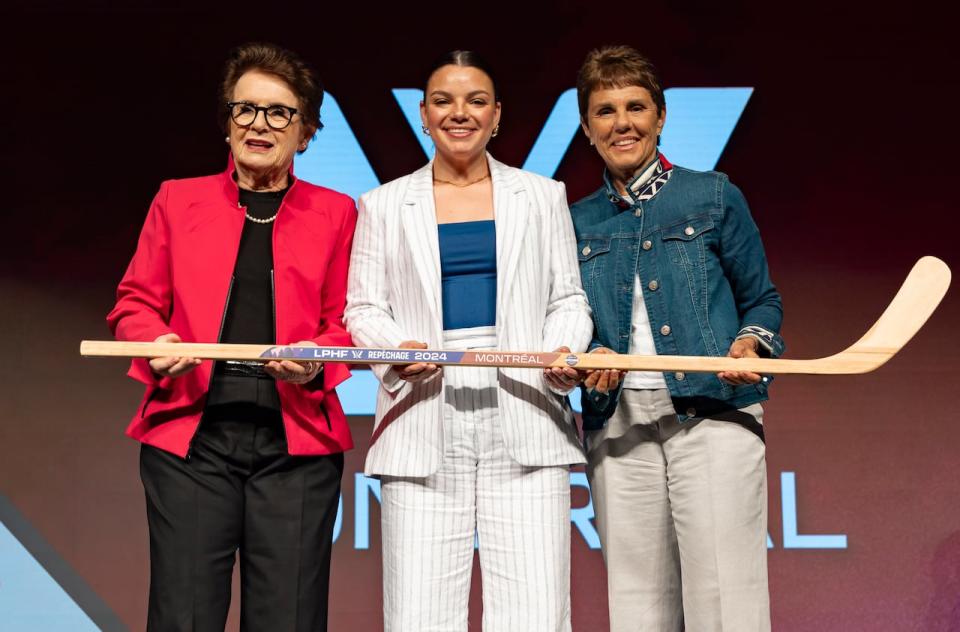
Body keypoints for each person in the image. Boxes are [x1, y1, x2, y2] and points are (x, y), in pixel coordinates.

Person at [107, 42, 356, 632]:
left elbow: (342, 322)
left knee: (288, 619)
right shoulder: (177, 199)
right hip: (193, 441)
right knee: (183, 616)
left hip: (294, 444)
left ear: (308, 132)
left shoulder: (337, 211)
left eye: (279, 112)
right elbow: (135, 303)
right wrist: (155, 341)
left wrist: (316, 360)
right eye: (245, 109)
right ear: (227, 123)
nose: (259, 124)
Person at [344, 50, 592, 632]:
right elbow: (363, 307)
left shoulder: (542, 195)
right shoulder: (381, 205)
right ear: (423, 115)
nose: (461, 113)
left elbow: (568, 300)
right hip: (423, 412)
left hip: (526, 409)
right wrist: (398, 351)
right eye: (444, 101)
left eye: (476, 101)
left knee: (535, 609)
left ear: (497, 115)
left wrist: (559, 353)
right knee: (419, 612)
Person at [570, 45, 784, 632]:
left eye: (636, 106)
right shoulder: (575, 220)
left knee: (725, 601)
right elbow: (568, 323)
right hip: (618, 424)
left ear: (660, 116)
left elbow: (762, 300)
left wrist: (751, 346)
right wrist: (584, 359)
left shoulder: (712, 195)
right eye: (606, 111)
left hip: (712, 411)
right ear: (588, 128)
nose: (623, 123)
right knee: (638, 605)